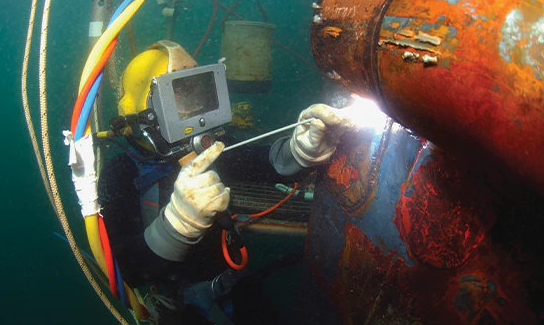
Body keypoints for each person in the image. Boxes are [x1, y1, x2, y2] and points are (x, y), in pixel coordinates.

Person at [97, 41, 355, 324]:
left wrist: (299, 151)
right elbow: (128, 270)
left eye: (198, 95)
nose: (196, 115)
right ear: (145, 112)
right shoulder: (120, 172)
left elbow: (259, 162)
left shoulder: (207, 145)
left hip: (236, 289)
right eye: (181, 100)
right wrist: (175, 226)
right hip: (180, 309)